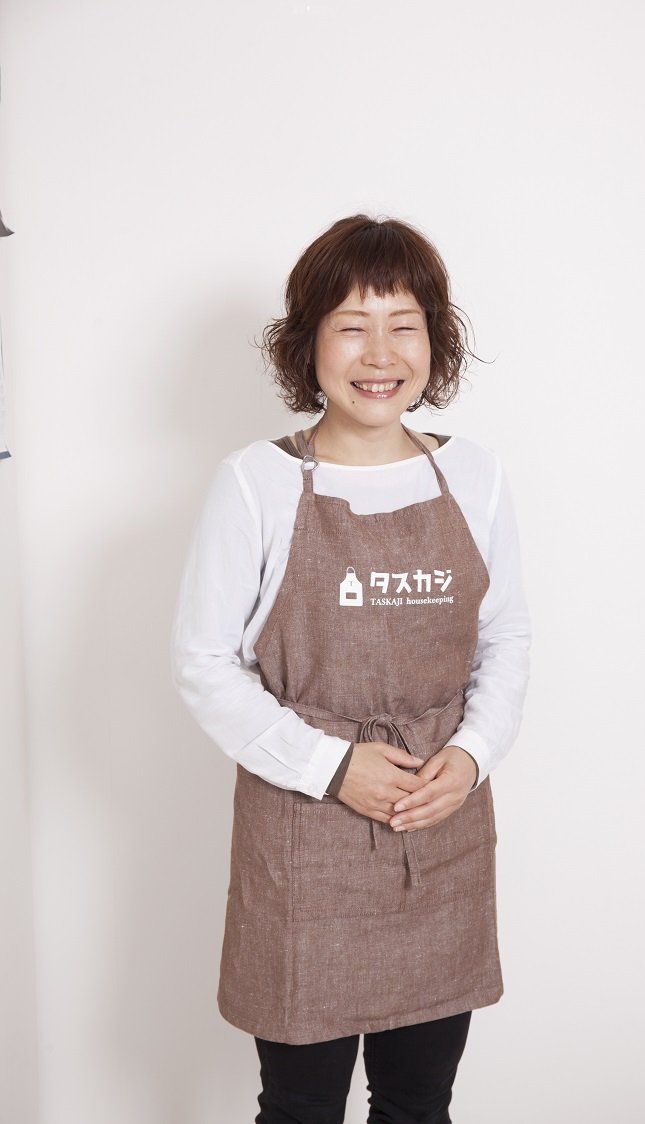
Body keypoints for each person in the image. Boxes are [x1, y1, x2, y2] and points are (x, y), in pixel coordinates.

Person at [172, 214, 531, 1123]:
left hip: (438, 823)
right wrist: (335, 767)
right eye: (350, 326)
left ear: (434, 340)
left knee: (418, 1101)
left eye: (403, 324)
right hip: (304, 834)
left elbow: (505, 636)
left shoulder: (475, 477)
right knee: (300, 1107)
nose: (379, 354)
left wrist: (471, 757)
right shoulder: (254, 482)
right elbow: (204, 663)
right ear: (307, 344)